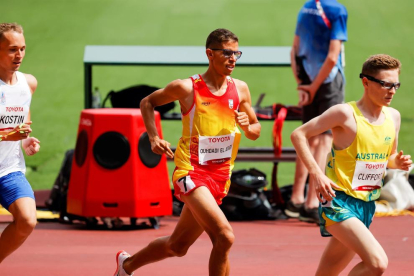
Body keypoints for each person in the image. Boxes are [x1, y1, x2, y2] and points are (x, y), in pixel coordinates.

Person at [113, 28, 261, 276]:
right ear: (209, 54)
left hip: (220, 176)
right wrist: (153, 137)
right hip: (191, 172)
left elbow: (255, 130)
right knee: (224, 236)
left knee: (177, 245)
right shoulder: (187, 88)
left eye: (237, 53)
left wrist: (248, 126)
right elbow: (147, 102)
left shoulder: (241, 89)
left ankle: (125, 267)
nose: (233, 58)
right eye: (227, 53)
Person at [291, 54, 412, 275]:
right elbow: (298, 134)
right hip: (338, 201)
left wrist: (398, 162)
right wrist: (317, 174)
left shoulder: (393, 117)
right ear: (366, 82)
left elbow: (389, 157)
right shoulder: (344, 114)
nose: (392, 91)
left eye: (396, 85)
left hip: (366, 205)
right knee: (377, 263)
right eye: (385, 84)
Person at [286, 0, 348, 223]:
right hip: (328, 81)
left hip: (307, 77)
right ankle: (313, 202)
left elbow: (294, 50)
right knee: (323, 141)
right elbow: (333, 57)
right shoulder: (337, 10)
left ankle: (295, 200)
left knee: (308, 139)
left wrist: (303, 85)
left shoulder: (306, 7)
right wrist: (314, 88)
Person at [0, 22, 41, 263]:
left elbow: (22, 122)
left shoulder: (28, 84)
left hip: (9, 170)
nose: (19, 55)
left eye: (23, 49)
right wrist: (6, 136)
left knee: (27, 221)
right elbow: (8, 133)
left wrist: (25, 142)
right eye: (12, 49)